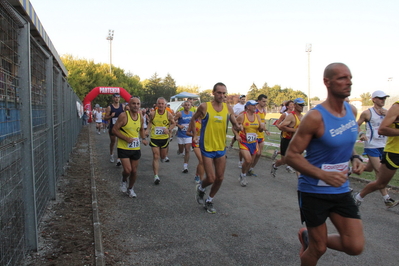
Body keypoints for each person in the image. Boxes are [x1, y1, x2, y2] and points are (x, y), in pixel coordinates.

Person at [285, 63, 365, 265]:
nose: (349, 82)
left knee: (355, 246)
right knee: (318, 249)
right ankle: (311, 242)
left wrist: (355, 157)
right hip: (313, 191)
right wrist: (322, 175)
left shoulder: (351, 110)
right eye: (342, 78)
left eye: (349, 77)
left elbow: (346, 141)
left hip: (340, 189)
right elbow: (291, 155)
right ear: (327, 82)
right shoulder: (315, 117)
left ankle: (308, 238)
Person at [188, 82, 242, 214]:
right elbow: (193, 119)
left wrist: (237, 127)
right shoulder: (204, 106)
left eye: (224, 93)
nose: (222, 95)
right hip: (206, 146)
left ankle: (209, 200)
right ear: (213, 93)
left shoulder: (228, 108)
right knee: (210, 178)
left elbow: (234, 122)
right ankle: (201, 188)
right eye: (219, 92)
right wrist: (194, 135)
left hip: (220, 147)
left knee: (220, 178)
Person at [355, 90, 398, 207]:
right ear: (373, 99)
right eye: (380, 98)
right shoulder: (367, 113)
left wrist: (387, 115)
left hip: (383, 145)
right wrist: (361, 134)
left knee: (369, 169)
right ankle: (387, 198)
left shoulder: (388, 112)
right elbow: (356, 124)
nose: (382, 100)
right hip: (371, 145)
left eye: (384, 98)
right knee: (379, 171)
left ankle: (348, 170)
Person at [112, 96, 148, 198]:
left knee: (134, 171)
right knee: (127, 170)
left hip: (135, 147)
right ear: (129, 105)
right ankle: (123, 181)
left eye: (138, 104)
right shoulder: (124, 116)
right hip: (123, 147)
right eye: (133, 103)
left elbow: (141, 129)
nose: (136, 106)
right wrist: (125, 138)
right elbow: (114, 130)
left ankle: (130, 188)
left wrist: (143, 138)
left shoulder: (140, 117)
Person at [271, 98, 305, 177]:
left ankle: (301, 182)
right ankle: (275, 165)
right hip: (287, 140)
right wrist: (295, 130)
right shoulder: (291, 116)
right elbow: (282, 127)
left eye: (303, 105)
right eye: (300, 105)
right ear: (295, 105)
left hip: (297, 141)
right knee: (283, 161)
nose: (302, 107)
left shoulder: (302, 117)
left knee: (300, 161)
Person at [236, 100, 264, 186]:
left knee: (251, 161)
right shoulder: (242, 116)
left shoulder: (257, 117)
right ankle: (243, 175)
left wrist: (262, 127)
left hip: (253, 141)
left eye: (256, 105)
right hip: (243, 141)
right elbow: (234, 127)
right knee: (248, 160)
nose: (255, 107)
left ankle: (242, 174)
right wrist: (237, 135)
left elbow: (259, 129)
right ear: (248, 107)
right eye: (253, 105)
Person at [149, 97, 176, 184]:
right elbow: (150, 122)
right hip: (154, 138)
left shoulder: (168, 114)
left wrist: (169, 129)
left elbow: (173, 123)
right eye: (159, 103)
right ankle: (156, 176)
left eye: (162, 104)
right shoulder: (153, 114)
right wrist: (146, 130)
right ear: (157, 105)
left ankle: (163, 157)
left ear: (165, 105)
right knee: (156, 156)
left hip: (164, 139)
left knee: (163, 157)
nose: (160, 105)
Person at [249, 94, 270, 177]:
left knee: (259, 154)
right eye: (263, 101)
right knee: (255, 153)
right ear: (259, 101)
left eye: (266, 101)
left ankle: (251, 168)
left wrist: (265, 129)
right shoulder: (254, 110)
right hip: (253, 134)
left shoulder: (264, 111)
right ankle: (246, 166)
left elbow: (262, 122)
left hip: (261, 134)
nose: (265, 103)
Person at [174, 101, 194, 173]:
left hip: (188, 135)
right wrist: (179, 125)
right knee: (181, 150)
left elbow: (196, 122)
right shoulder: (180, 113)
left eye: (188, 105)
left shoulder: (193, 114)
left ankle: (185, 166)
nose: (187, 106)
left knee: (187, 150)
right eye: (186, 105)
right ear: (183, 106)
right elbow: (173, 121)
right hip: (180, 135)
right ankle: (179, 150)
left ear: (191, 106)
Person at [105, 93, 124, 165]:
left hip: (121, 127)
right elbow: (105, 118)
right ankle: (111, 155)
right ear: (113, 98)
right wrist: (111, 116)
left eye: (118, 97)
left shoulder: (122, 106)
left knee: (120, 143)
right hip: (113, 127)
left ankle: (119, 159)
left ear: (119, 98)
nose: (117, 99)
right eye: (115, 97)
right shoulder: (109, 107)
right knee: (113, 142)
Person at [230, 94, 246, 167]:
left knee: (238, 137)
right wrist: (239, 116)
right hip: (237, 123)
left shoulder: (246, 105)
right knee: (237, 137)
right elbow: (232, 114)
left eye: (244, 99)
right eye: (242, 99)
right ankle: (231, 144)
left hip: (245, 124)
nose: (243, 100)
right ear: (239, 99)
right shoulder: (236, 106)